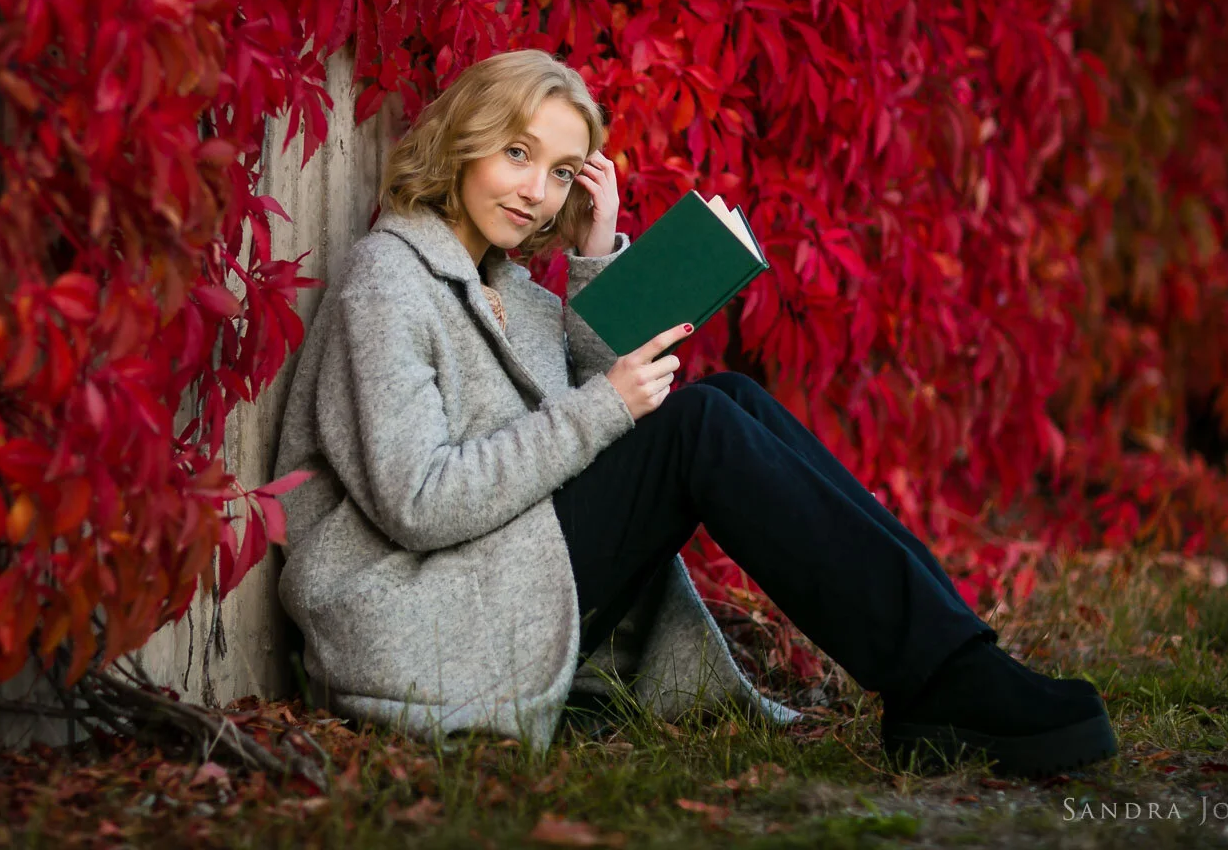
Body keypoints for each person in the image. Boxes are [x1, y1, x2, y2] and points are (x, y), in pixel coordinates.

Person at [273, 48, 1118, 778]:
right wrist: (603, 406)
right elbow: (420, 502)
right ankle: (944, 680)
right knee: (701, 427)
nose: (537, 191)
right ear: (464, 141)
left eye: (563, 171)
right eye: (517, 154)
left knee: (728, 397)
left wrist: (599, 253)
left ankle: (957, 658)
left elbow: (585, 433)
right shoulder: (387, 282)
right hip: (425, 613)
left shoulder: (509, 289)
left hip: (502, 566)